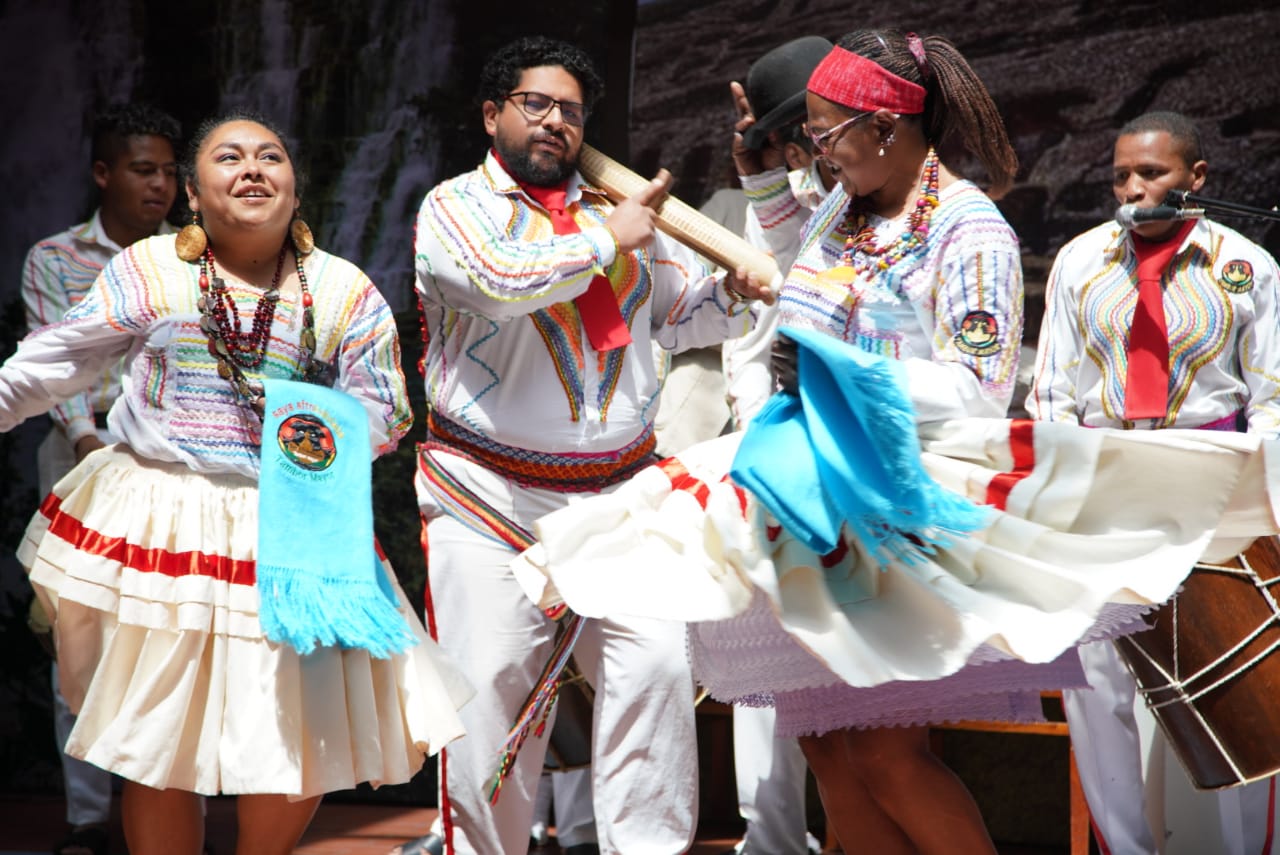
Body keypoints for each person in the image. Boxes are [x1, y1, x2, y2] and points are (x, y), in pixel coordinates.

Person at [1, 111, 469, 855]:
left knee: (298, 735)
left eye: (270, 157)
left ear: (296, 189)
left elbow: (386, 408)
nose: (252, 168)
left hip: (294, 522)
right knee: (158, 741)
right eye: (229, 157)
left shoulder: (342, 290)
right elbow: (56, 362)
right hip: (165, 523)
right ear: (192, 193)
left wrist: (313, 435)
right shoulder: (151, 269)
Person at [413, 35, 770, 855]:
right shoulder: (454, 208)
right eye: (535, 104)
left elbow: (677, 317)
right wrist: (611, 238)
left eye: (571, 112)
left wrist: (735, 292)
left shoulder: (625, 214)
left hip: (621, 494)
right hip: (490, 497)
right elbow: (494, 282)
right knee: (489, 697)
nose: (555, 122)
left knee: (657, 672)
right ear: (492, 114)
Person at [1028, 110, 1280, 855]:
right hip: (1107, 483)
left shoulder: (1247, 266)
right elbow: (1052, 393)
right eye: (1120, 177)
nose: (1133, 190)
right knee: (1094, 677)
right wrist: (1062, 494)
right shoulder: (1080, 260)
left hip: (1212, 484)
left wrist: (1256, 499)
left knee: (1231, 675)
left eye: (1151, 173)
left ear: (1195, 177)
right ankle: (1124, 847)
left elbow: (1271, 397)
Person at [20, 102, 181, 855]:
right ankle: (89, 819)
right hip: (81, 457)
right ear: (103, 173)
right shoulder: (55, 257)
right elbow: (54, 356)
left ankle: (171, 821)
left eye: (170, 171)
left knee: (172, 636)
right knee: (78, 635)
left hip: (173, 464)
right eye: (144, 170)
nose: (161, 186)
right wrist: (90, 441)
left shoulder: (191, 255)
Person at [717, 35, 838, 855]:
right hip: (775, 451)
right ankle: (771, 837)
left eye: (818, 126)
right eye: (796, 132)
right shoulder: (784, 203)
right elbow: (774, 300)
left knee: (860, 689)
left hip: (857, 458)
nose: (809, 145)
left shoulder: (900, 201)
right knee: (765, 652)